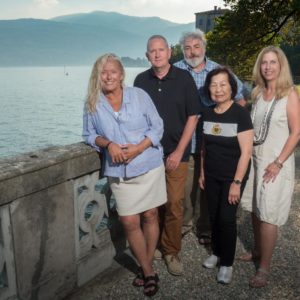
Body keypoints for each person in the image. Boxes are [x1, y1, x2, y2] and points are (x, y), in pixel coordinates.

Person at [82, 53, 167, 297]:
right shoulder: (92, 102)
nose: (108, 76)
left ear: (121, 75)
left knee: (150, 214)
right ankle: (149, 271)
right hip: (118, 171)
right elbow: (88, 134)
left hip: (148, 164)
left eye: (112, 72)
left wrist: (139, 147)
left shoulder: (139, 95)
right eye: (103, 72)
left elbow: (157, 125)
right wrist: (108, 144)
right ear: (98, 76)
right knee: (130, 221)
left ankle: (146, 266)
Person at [134, 35, 201, 276]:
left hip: (177, 154)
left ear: (169, 52)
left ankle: (171, 250)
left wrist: (180, 151)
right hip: (149, 155)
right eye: (152, 51)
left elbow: (193, 116)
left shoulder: (184, 79)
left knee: (174, 203)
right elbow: (135, 118)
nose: (157, 54)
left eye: (161, 50)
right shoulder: (140, 81)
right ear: (147, 55)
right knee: (152, 206)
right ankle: (156, 246)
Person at [174, 29, 246, 245]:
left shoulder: (218, 71)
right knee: (185, 191)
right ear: (182, 50)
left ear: (204, 48)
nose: (192, 51)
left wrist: (233, 126)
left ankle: (205, 227)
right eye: (187, 47)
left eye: (196, 46)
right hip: (185, 142)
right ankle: (185, 225)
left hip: (214, 143)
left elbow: (240, 99)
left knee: (208, 190)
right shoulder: (176, 71)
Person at [240, 46, 300, 288]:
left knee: (268, 216)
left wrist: (278, 162)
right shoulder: (257, 93)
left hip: (276, 163)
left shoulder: (290, 94)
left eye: (273, 62)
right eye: (264, 62)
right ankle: (256, 251)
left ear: (281, 65)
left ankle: (264, 267)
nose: (268, 67)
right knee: (255, 209)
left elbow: (296, 133)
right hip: (256, 160)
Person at [199, 67, 253, 284]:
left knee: (227, 219)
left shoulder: (241, 114)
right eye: (213, 85)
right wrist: (202, 172)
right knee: (213, 217)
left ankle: (227, 263)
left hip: (233, 177)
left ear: (231, 87)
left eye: (223, 84)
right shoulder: (208, 113)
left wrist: (237, 183)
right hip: (211, 175)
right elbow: (205, 148)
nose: (218, 89)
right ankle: (217, 252)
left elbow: (246, 152)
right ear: (208, 89)